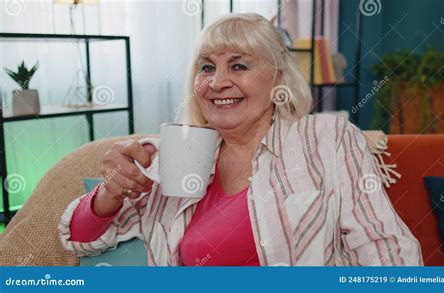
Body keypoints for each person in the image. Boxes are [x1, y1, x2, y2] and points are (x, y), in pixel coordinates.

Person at [59, 12, 422, 266]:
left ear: (278, 78)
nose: (217, 82)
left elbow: (382, 246)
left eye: (239, 65)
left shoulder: (326, 138)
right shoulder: (177, 152)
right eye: (206, 67)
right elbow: (81, 240)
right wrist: (110, 191)